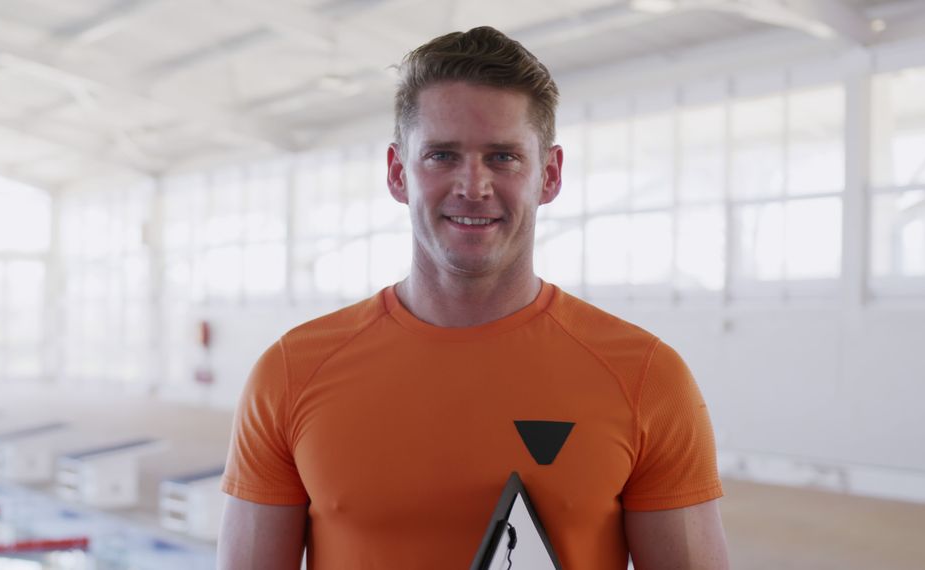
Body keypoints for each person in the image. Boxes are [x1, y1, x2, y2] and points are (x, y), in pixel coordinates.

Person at [218, 26, 729, 570]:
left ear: (549, 175)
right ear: (398, 173)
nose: (473, 185)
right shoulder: (292, 373)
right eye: (441, 155)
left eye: (503, 157)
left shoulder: (647, 378)